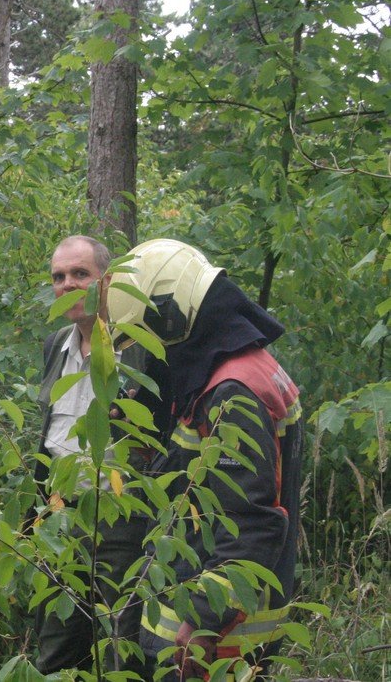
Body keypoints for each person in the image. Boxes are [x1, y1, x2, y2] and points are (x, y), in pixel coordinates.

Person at [107, 239, 304, 681]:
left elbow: (252, 521)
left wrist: (202, 621)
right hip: (217, 613)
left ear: (169, 315)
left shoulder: (232, 392)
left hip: (214, 634)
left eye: (148, 335)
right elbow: (203, 479)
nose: (151, 351)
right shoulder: (242, 363)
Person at [34, 235, 147, 675]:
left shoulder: (139, 346)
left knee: (125, 649)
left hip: (123, 521)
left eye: (80, 274)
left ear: (108, 281)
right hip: (60, 519)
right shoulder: (55, 344)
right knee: (58, 649)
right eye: (59, 277)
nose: (67, 285)